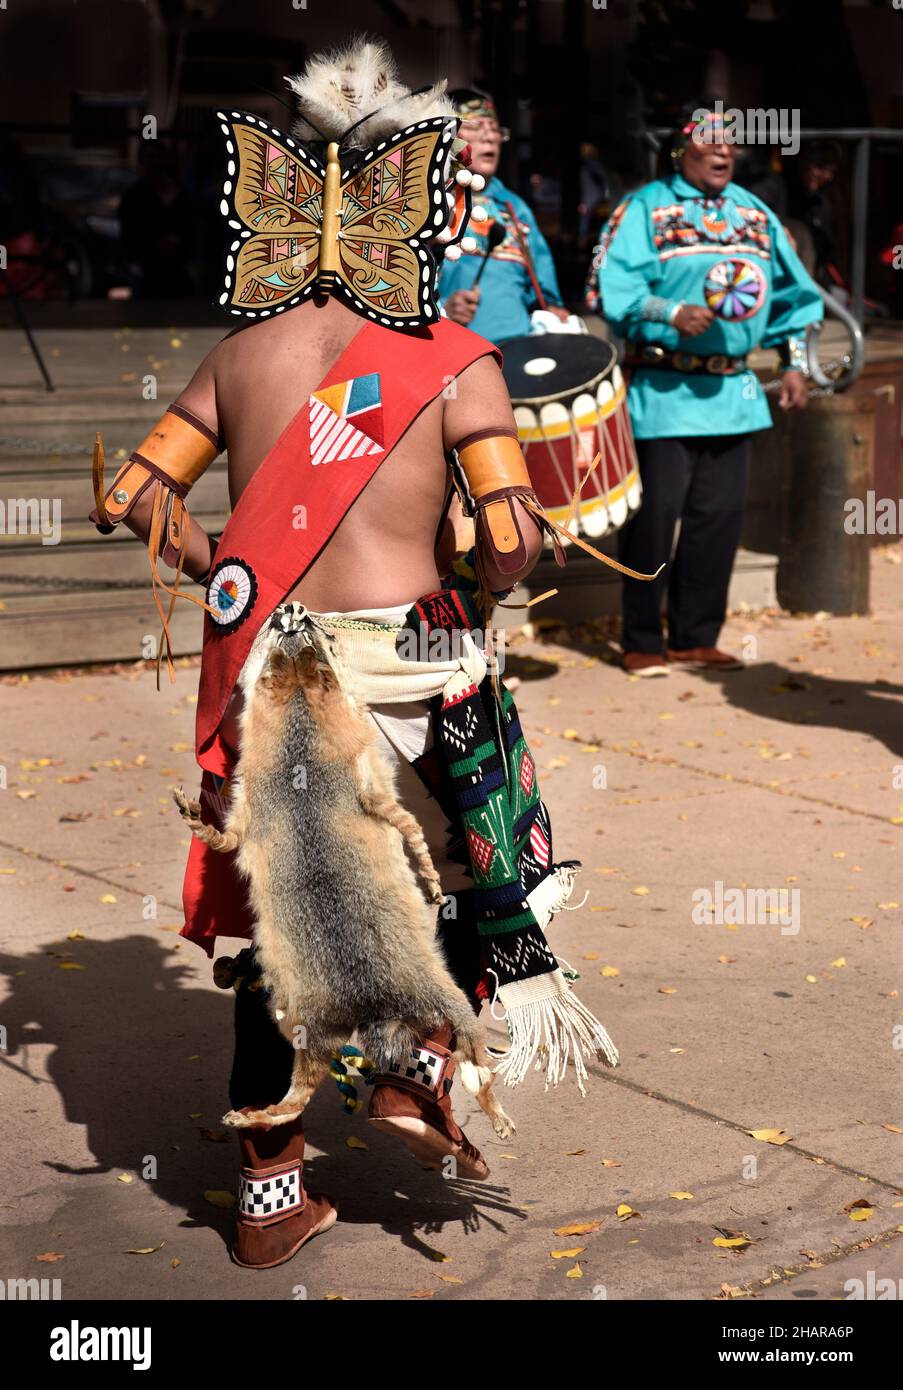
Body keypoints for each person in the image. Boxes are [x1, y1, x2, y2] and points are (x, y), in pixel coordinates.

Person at [88, 37, 619, 1270]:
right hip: (418, 671)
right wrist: (517, 535)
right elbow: (505, 554)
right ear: (418, 206)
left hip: (275, 673)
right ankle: (413, 1068)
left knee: (293, 915)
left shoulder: (239, 356)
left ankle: (271, 1192)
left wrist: (227, 564)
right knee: (470, 881)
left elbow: (135, 498)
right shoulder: (452, 362)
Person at [590, 104, 823, 676]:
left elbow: (794, 296)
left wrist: (794, 361)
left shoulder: (755, 213)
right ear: (680, 151)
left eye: (731, 143)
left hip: (734, 392)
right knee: (653, 521)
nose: (723, 151)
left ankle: (696, 636)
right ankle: (642, 638)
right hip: (663, 390)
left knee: (717, 520)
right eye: (709, 141)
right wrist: (668, 311)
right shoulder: (643, 208)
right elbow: (605, 288)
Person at [438, 86, 569, 342]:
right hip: (452, 355)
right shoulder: (431, 201)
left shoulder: (515, 208)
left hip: (520, 355)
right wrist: (442, 308)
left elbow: (542, 287)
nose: (489, 138)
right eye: (476, 127)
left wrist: (552, 310)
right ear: (448, 136)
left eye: (495, 129)